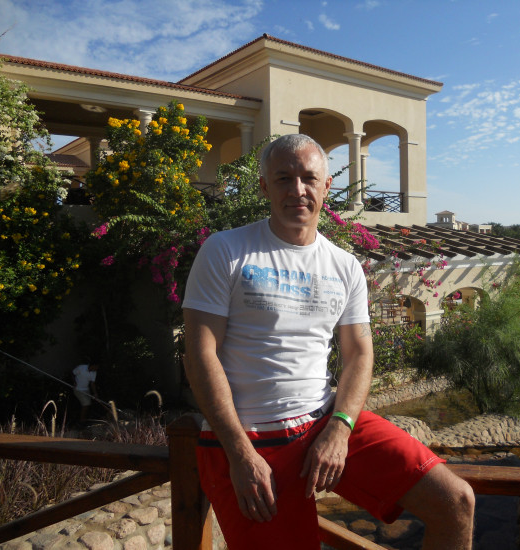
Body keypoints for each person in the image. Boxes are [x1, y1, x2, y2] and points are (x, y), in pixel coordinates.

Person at [182, 134, 475, 549]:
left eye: (308, 178)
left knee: (455, 501)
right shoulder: (226, 250)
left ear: (326, 187)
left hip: (324, 422)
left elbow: (359, 354)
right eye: (283, 178)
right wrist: (239, 453)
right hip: (249, 439)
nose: (297, 190)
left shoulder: (345, 265)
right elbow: (200, 353)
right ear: (264, 187)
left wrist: (340, 427)